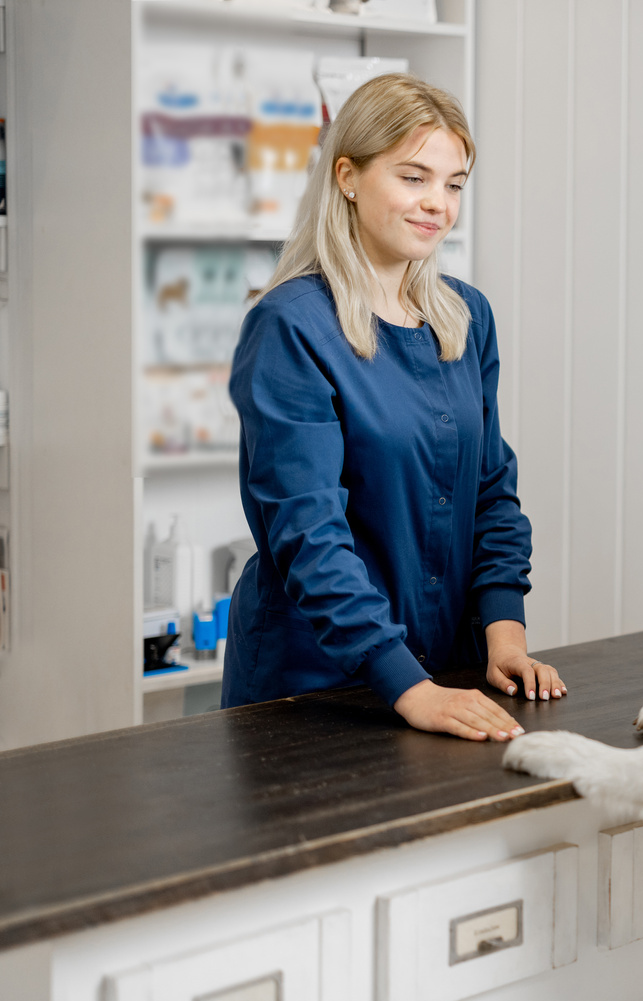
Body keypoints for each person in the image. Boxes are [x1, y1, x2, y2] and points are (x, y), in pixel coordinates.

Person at [222, 74, 563, 742]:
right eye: (414, 178)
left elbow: (490, 491)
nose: (438, 203)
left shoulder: (465, 318)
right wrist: (406, 686)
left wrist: (505, 637)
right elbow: (307, 532)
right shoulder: (291, 325)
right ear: (347, 175)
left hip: (447, 672)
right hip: (317, 688)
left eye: (455, 183)